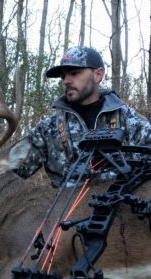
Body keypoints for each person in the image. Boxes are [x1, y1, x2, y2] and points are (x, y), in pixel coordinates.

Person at [16, 46, 151, 187]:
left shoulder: (129, 120)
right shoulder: (48, 128)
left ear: (98, 75)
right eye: (63, 76)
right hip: (63, 206)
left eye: (74, 73)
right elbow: (7, 169)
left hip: (118, 204)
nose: (66, 81)